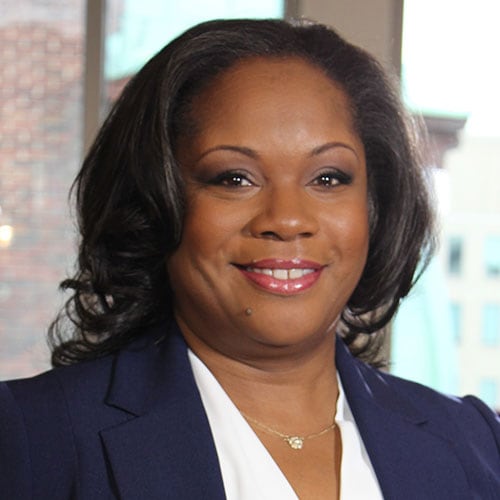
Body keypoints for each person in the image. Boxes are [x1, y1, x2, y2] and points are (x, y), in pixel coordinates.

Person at [1, 18, 499, 500]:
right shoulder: (28, 442)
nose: (287, 219)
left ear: (374, 206)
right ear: (153, 203)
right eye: (234, 178)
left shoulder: (478, 443)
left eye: (328, 178)